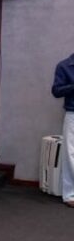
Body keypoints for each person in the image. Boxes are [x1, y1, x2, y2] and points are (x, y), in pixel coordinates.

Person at [52, 51, 74, 207]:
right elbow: (56, 91)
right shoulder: (64, 66)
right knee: (70, 154)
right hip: (73, 113)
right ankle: (70, 195)